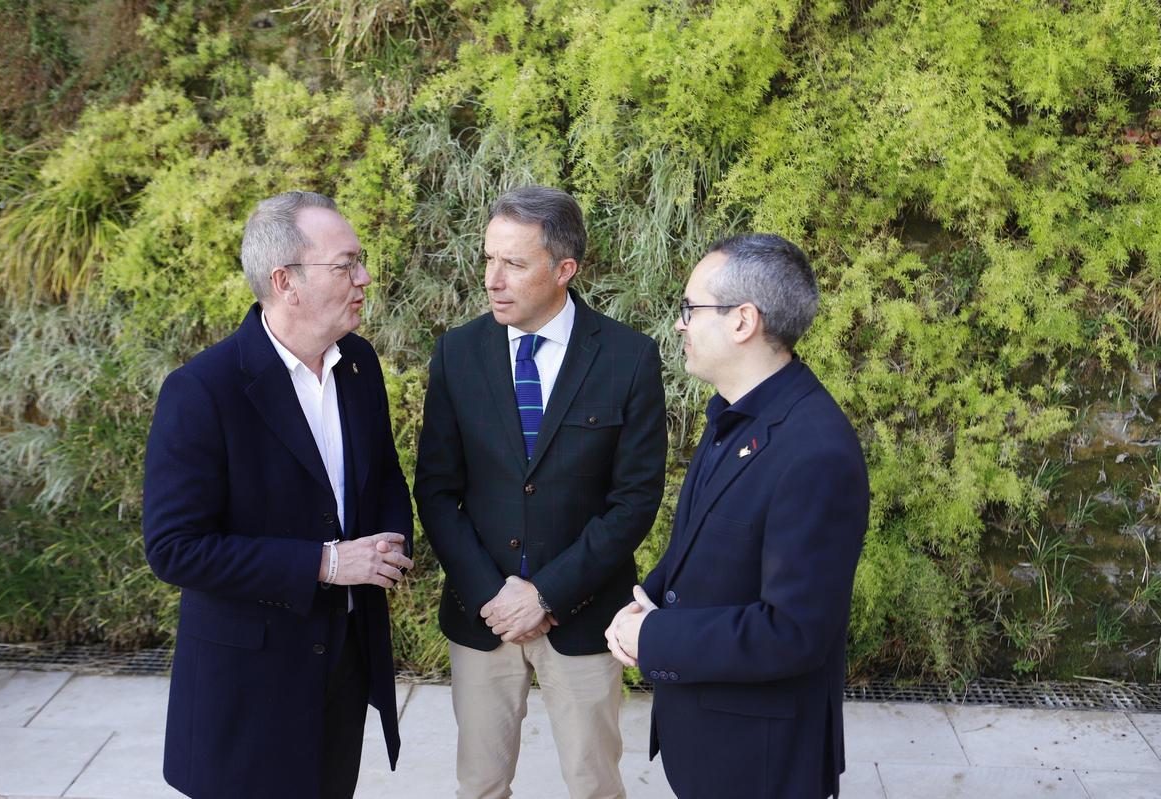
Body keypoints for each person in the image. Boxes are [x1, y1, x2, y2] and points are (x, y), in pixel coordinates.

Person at [142, 190, 415, 799]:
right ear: (285, 281)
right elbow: (174, 548)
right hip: (247, 681)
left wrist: (392, 544)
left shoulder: (359, 365)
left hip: (342, 662)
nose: (363, 277)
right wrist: (325, 562)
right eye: (345, 264)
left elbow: (383, 477)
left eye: (359, 261)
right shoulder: (202, 391)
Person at [414, 185, 668, 799]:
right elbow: (437, 490)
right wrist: (491, 593)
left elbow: (634, 499)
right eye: (487, 259)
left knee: (594, 785)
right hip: (483, 617)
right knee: (479, 785)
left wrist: (548, 594)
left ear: (564, 270)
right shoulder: (457, 354)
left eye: (514, 263)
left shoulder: (629, 359)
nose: (493, 279)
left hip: (582, 618)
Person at [605, 234, 869, 799]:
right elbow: (704, 543)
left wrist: (656, 637)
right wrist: (648, 599)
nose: (680, 325)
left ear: (743, 320)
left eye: (690, 309)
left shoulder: (814, 449)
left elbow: (794, 631)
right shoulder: (736, 412)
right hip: (710, 741)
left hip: (759, 761)